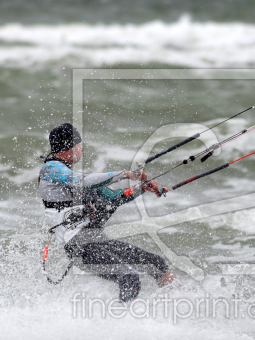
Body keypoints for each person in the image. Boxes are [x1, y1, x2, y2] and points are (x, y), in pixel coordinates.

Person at [38, 123, 177, 301]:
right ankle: (119, 325)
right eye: (78, 145)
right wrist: (124, 174)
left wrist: (141, 188)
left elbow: (112, 199)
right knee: (129, 277)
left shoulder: (70, 174)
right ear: (70, 146)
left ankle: (183, 299)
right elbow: (84, 181)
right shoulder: (51, 169)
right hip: (80, 247)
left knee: (155, 263)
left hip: (96, 240)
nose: (81, 149)